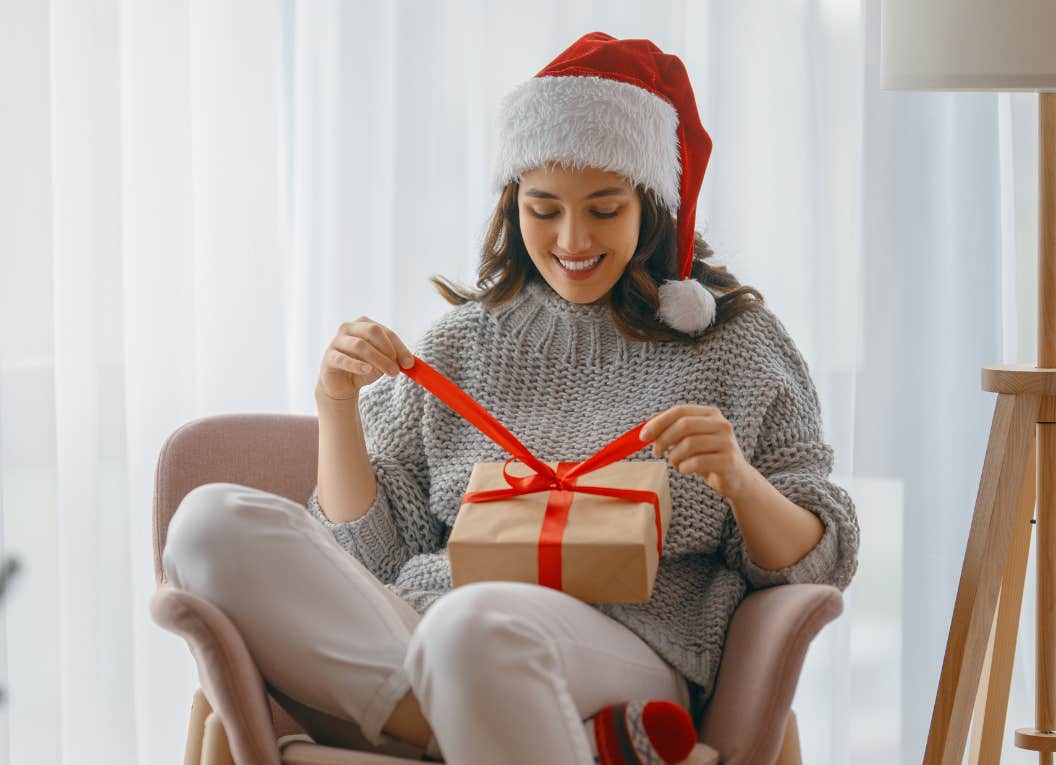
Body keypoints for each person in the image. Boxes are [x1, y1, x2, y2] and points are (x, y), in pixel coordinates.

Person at [162, 32, 859, 765]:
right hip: (426, 625)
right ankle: (523, 736)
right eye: (543, 207)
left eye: (603, 207)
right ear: (512, 203)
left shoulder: (737, 344)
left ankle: (447, 720)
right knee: (208, 524)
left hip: (630, 645)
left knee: (473, 624)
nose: (571, 237)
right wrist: (335, 402)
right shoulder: (459, 344)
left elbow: (820, 560)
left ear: (652, 202)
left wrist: (740, 483)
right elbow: (367, 553)